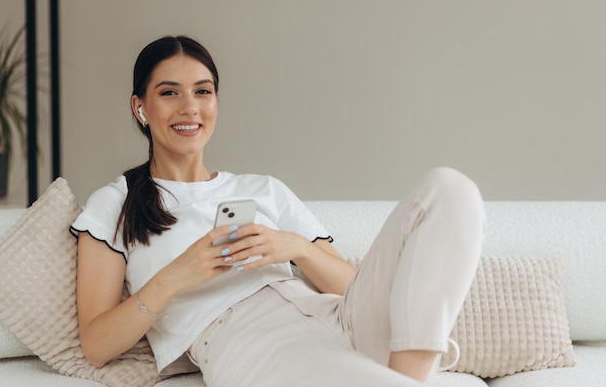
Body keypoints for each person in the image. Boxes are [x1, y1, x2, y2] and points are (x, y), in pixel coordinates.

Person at [71, 35, 485, 387]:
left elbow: (349, 288)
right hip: (253, 344)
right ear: (139, 107)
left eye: (203, 91)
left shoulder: (262, 188)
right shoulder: (116, 202)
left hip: (339, 319)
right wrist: (180, 274)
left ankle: (407, 377)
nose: (190, 107)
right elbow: (97, 345)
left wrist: (294, 248)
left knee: (449, 189)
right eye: (169, 92)